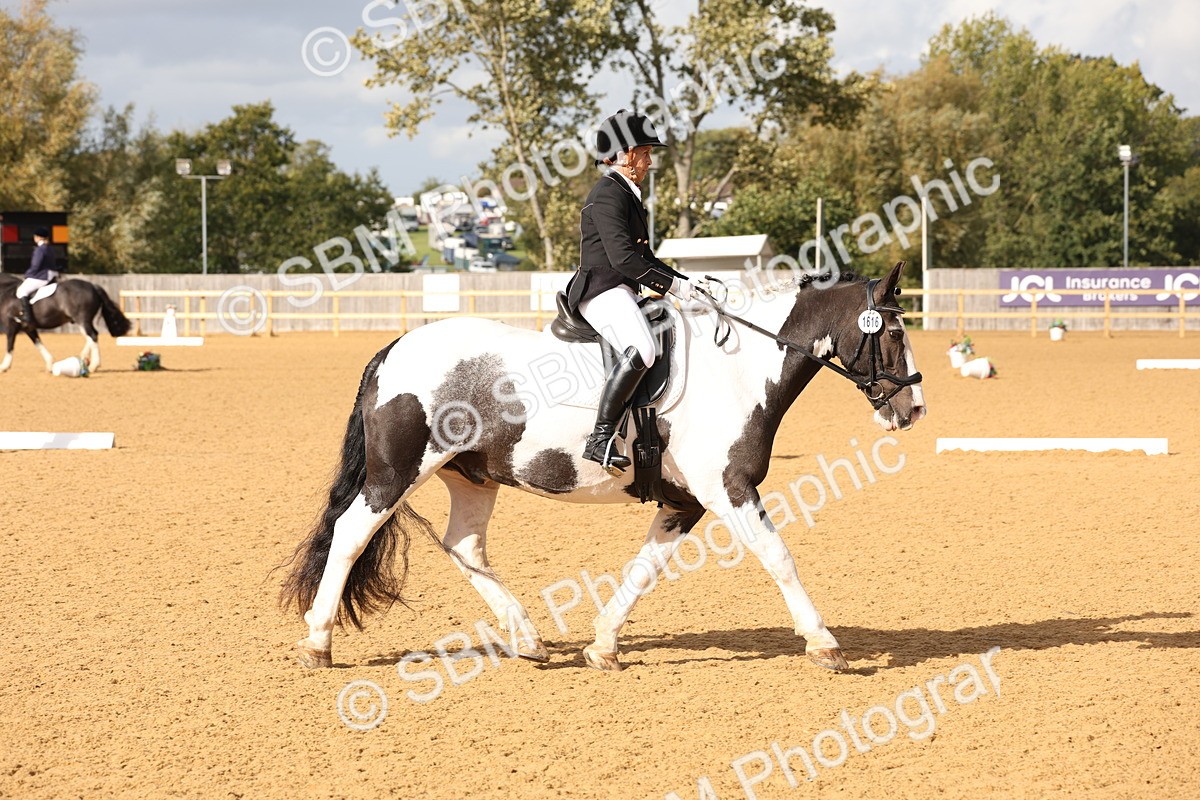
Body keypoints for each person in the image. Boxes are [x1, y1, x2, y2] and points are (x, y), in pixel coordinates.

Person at [567, 110, 702, 473]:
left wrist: (688, 285)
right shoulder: (608, 194)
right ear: (624, 154)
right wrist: (674, 286)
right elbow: (624, 260)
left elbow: (646, 258)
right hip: (601, 290)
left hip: (621, 288)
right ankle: (600, 439)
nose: (649, 161)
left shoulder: (626, 193)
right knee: (643, 348)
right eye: (644, 153)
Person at [13, 227, 59, 329]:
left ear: (38, 237)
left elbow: (35, 266)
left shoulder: (40, 249)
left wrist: (27, 275)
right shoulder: (50, 248)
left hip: (42, 276)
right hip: (52, 275)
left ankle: (27, 318)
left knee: (21, 291)